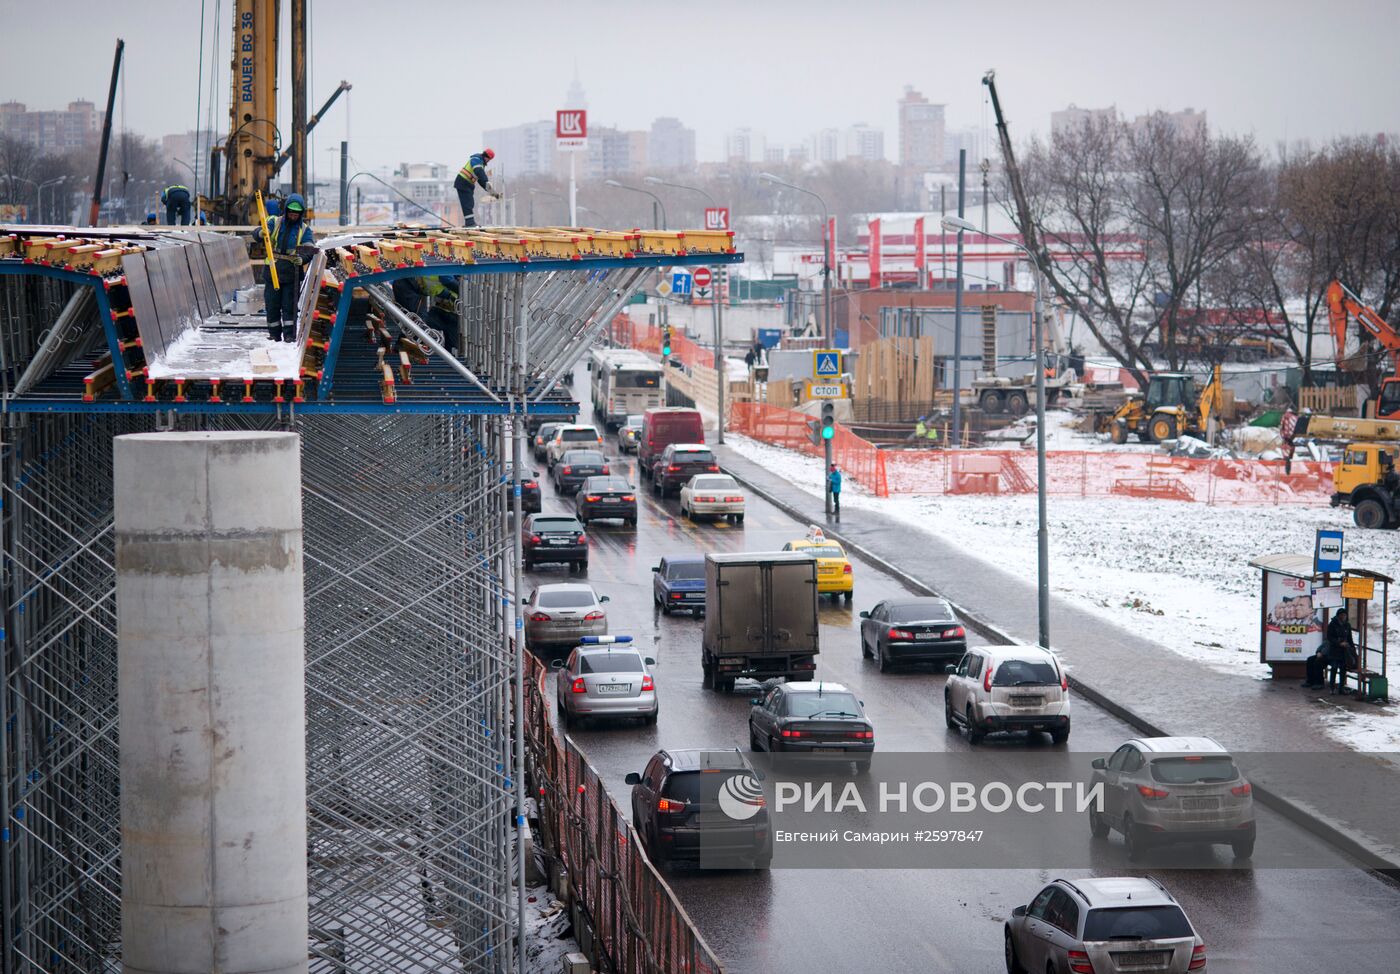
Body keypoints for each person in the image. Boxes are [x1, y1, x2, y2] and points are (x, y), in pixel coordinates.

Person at [257, 193, 316, 343]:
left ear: (301, 213)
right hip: (273, 272)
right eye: (291, 211)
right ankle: (274, 335)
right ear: (286, 210)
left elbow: (310, 249)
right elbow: (259, 232)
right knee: (272, 305)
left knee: (289, 307)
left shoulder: (305, 230)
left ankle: (289, 336)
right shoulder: (274, 222)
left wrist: (302, 259)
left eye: (296, 212)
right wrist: (261, 232)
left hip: (292, 274)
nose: (293, 215)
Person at [412, 275, 461, 353]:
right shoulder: (448, 270)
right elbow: (446, 279)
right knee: (420, 335)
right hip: (440, 310)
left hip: (454, 314)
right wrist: (460, 291)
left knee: (452, 349)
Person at [454, 148, 498, 227]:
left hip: (466, 184)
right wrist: (487, 181)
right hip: (463, 182)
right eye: (489, 160)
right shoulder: (476, 159)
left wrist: (491, 191)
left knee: (469, 203)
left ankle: (469, 222)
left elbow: (481, 180)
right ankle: (470, 223)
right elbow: (479, 172)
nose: (488, 162)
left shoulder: (480, 163)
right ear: (487, 158)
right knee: (467, 203)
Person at [1326, 607, 1356, 694]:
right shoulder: (1332, 624)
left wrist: (1352, 648)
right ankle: (1332, 687)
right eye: (1342, 615)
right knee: (1334, 668)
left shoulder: (1347, 625)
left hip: (1344, 651)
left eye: (1345, 615)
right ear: (1338, 616)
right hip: (1335, 650)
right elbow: (1330, 637)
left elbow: (1350, 638)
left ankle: (1341, 688)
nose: (1343, 617)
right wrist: (1339, 643)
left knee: (1343, 669)